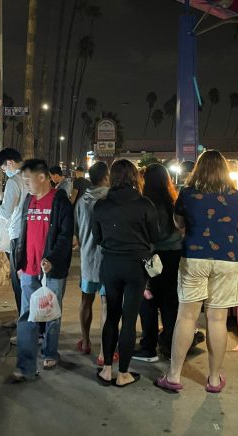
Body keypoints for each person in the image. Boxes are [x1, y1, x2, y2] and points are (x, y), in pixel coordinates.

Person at [156, 150, 238, 394]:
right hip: (227, 261)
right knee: (217, 319)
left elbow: (178, 224)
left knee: (186, 317)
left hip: (194, 258)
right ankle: (213, 378)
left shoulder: (187, 195)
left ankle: (174, 375)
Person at [93, 159, 159, 388]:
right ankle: (123, 374)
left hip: (110, 265)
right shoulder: (145, 204)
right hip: (136, 266)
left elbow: (97, 237)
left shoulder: (101, 205)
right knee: (129, 320)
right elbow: (154, 236)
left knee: (112, 316)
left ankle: (106, 370)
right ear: (134, 177)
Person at [11, 159, 74, 381]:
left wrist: (52, 259)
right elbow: (22, 231)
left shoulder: (60, 201)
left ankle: (49, 351)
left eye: (27, 179)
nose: (25, 183)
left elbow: (66, 236)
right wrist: (20, 264)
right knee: (27, 316)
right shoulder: (28, 200)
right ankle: (26, 365)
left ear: (42, 177)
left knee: (51, 313)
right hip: (29, 269)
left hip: (52, 271)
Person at [133, 163, 181, 362]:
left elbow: (145, 236)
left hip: (152, 257)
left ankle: (148, 347)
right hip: (174, 256)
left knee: (148, 300)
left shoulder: (145, 204)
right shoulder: (174, 202)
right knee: (170, 303)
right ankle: (170, 346)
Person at [74, 161, 111, 365]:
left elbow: (77, 231)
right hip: (108, 259)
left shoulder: (82, 201)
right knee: (107, 304)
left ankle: (86, 342)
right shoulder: (111, 198)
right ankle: (105, 352)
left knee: (86, 301)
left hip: (88, 258)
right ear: (106, 176)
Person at [0, 148, 28, 316]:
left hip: (18, 236)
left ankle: (23, 324)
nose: (4, 172)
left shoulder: (14, 181)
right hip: (34, 234)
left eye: (3, 168)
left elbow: (6, 212)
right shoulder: (33, 176)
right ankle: (32, 324)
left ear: (10, 162)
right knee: (30, 280)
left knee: (18, 281)